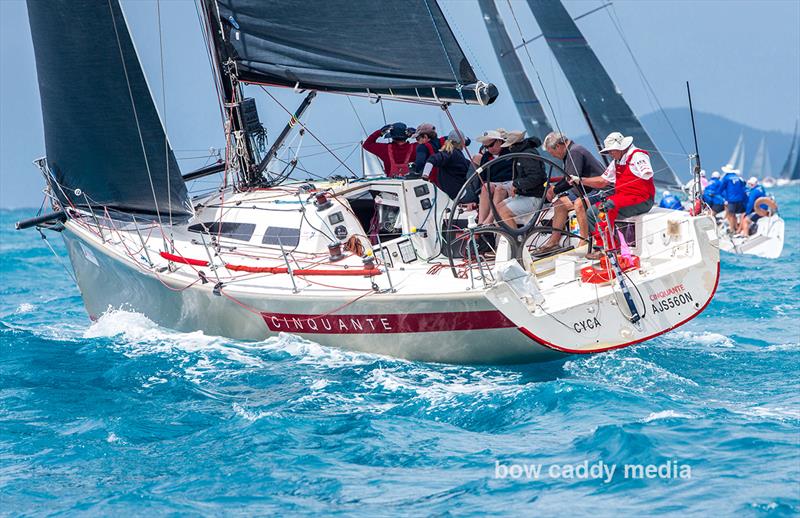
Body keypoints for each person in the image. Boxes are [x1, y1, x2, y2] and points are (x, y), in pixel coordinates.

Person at [571, 132, 656, 260]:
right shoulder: (616, 161)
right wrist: (580, 180)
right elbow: (603, 181)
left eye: (611, 151)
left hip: (642, 200)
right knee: (591, 213)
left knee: (607, 207)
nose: (610, 154)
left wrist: (644, 171)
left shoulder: (637, 155)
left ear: (620, 147)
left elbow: (647, 172)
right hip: (623, 199)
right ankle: (605, 246)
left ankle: (610, 250)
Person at [539, 131, 607, 253]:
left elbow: (571, 179)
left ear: (559, 146)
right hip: (585, 189)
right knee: (560, 203)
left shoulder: (574, 152)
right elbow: (569, 179)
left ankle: (584, 240)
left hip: (600, 189)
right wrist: (555, 191)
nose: (553, 156)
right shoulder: (570, 152)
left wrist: (554, 190)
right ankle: (554, 242)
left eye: (552, 152)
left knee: (578, 204)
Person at [490, 132, 547, 227]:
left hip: (535, 197)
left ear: (513, 145)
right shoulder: (522, 154)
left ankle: (515, 239)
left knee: (504, 212)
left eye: (509, 146)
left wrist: (516, 184)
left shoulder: (527, 156)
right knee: (498, 208)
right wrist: (516, 185)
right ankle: (508, 237)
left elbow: (535, 178)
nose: (508, 149)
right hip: (525, 195)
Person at [474, 129, 513, 224]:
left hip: (510, 183)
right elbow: (483, 178)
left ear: (499, 141)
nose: (489, 149)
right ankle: (480, 222)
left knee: (499, 189)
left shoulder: (511, 152)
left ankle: (489, 220)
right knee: (486, 187)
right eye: (486, 147)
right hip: (494, 184)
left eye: (491, 145)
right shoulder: (486, 157)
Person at [422, 130, 472, 200]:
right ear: (462, 142)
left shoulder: (456, 154)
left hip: (453, 193)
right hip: (459, 194)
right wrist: (425, 176)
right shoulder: (451, 153)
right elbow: (432, 159)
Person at [719, 164, 747, 233]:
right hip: (740, 199)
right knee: (737, 214)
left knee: (731, 215)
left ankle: (732, 230)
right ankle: (737, 228)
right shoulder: (738, 177)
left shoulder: (726, 178)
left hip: (731, 199)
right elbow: (744, 184)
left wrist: (723, 198)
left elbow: (720, 189)